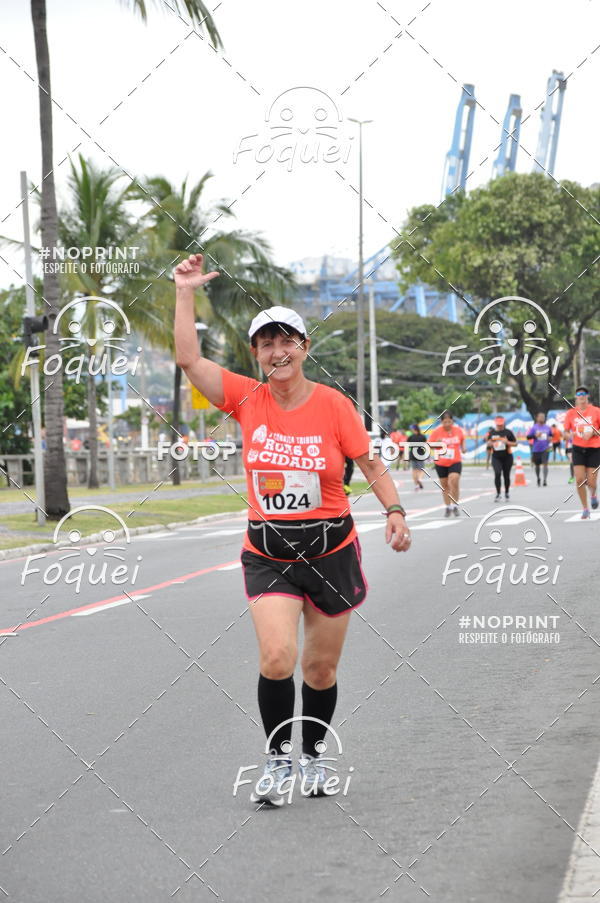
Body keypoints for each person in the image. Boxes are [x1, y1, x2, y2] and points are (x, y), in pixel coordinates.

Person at [174, 254, 412, 806]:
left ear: (304, 347)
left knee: (320, 668)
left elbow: (370, 464)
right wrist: (184, 291)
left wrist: (395, 511)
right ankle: (279, 762)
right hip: (271, 551)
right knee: (278, 659)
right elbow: (189, 359)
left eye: (287, 341)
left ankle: (312, 756)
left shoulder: (332, 405)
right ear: (255, 354)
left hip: (331, 549)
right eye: (265, 343)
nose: (277, 352)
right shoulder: (245, 399)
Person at [562, 386, 600, 519]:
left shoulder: (596, 411)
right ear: (576, 397)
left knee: (591, 482)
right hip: (578, 448)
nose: (581, 396)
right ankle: (585, 508)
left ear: (587, 396)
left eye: (584, 394)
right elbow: (565, 433)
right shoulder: (571, 413)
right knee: (579, 479)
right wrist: (571, 434)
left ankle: (593, 495)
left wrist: (593, 432)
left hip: (594, 449)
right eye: (579, 394)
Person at [429, 412, 466, 516]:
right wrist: (437, 442)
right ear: (441, 422)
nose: (447, 424)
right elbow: (429, 445)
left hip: (455, 461)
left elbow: (462, 439)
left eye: (449, 422)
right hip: (441, 463)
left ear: (452, 421)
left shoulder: (458, 430)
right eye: (445, 422)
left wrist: (463, 447)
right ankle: (447, 507)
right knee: (445, 486)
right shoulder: (437, 432)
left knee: (453, 481)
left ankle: (454, 505)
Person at [486, 416, 517, 501]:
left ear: (504, 423)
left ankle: (506, 492)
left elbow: (515, 443)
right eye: (498, 424)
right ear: (495, 423)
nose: (500, 426)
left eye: (501, 424)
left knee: (506, 475)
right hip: (496, 457)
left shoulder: (508, 432)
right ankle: (498, 493)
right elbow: (488, 443)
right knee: (497, 473)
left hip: (507, 457)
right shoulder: (492, 433)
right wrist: (491, 444)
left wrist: (507, 442)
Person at [527, 414, 552, 487]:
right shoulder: (534, 427)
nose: (542, 418)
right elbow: (528, 437)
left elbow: (551, 436)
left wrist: (549, 438)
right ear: (537, 418)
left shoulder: (548, 427)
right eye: (540, 417)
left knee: (545, 464)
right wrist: (535, 436)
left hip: (546, 448)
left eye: (543, 417)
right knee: (537, 465)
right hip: (536, 449)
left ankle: (545, 480)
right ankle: (538, 478)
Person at [407, 423, 428, 490]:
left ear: (413, 429)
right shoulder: (422, 437)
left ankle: (416, 485)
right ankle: (420, 479)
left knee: (414, 470)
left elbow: (408, 445)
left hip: (412, 455)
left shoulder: (410, 437)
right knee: (421, 469)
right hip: (420, 454)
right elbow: (425, 445)